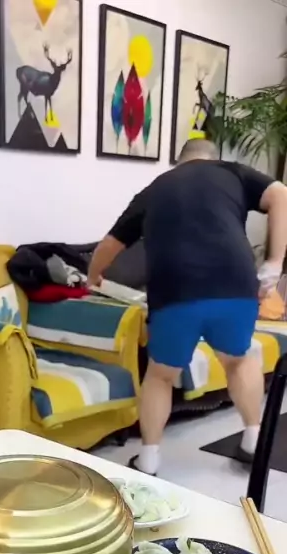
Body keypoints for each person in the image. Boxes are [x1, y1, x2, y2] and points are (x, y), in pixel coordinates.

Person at [87, 139, 287, 475]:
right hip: (234, 282)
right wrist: (274, 262)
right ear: (212, 158)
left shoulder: (154, 189)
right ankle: (252, 442)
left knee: (161, 375)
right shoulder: (232, 172)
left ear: (178, 163)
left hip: (174, 289)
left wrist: (93, 277)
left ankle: (148, 460)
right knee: (239, 360)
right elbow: (280, 193)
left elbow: (109, 244)